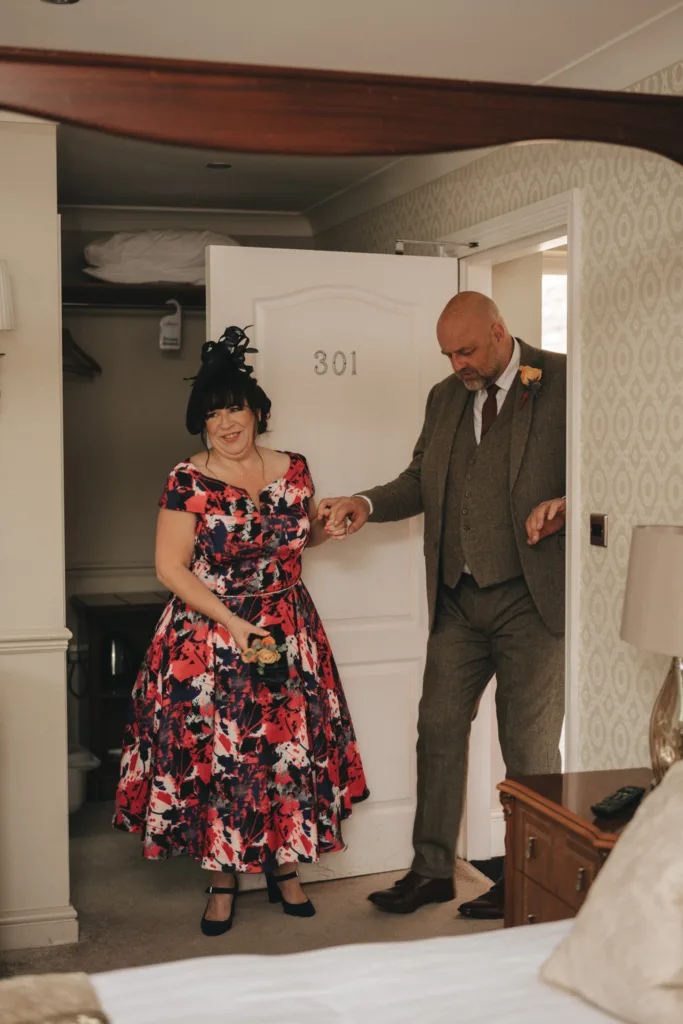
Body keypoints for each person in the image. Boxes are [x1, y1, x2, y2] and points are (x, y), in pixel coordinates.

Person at [318, 292, 566, 920]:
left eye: (467, 350)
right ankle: (431, 871)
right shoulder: (444, 397)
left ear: (500, 331)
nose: (459, 363)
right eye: (449, 353)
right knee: (439, 730)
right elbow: (419, 479)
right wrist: (366, 505)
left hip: (529, 600)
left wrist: (568, 502)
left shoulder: (563, 378)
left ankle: (527, 879)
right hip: (458, 598)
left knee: (529, 745)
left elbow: (602, 467)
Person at [113, 327, 368, 935]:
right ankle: (222, 880)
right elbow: (169, 567)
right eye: (212, 414)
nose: (226, 422)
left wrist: (334, 522)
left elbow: (301, 535)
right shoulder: (188, 479)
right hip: (210, 636)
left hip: (289, 628)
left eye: (234, 408)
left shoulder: (296, 470)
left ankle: (284, 867)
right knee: (222, 758)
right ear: (200, 424)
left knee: (285, 753)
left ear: (257, 411)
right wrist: (234, 623)